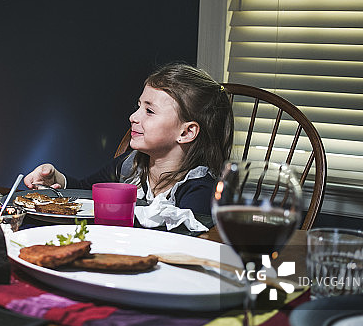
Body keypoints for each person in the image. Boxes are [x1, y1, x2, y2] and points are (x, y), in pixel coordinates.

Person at [24, 63, 233, 216]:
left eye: (149, 111)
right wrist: (57, 180)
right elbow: (87, 191)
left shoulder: (199, 190)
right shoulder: (130, 165)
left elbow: (188, 242)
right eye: (138, 106)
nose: (133, 117)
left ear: (186, 133)